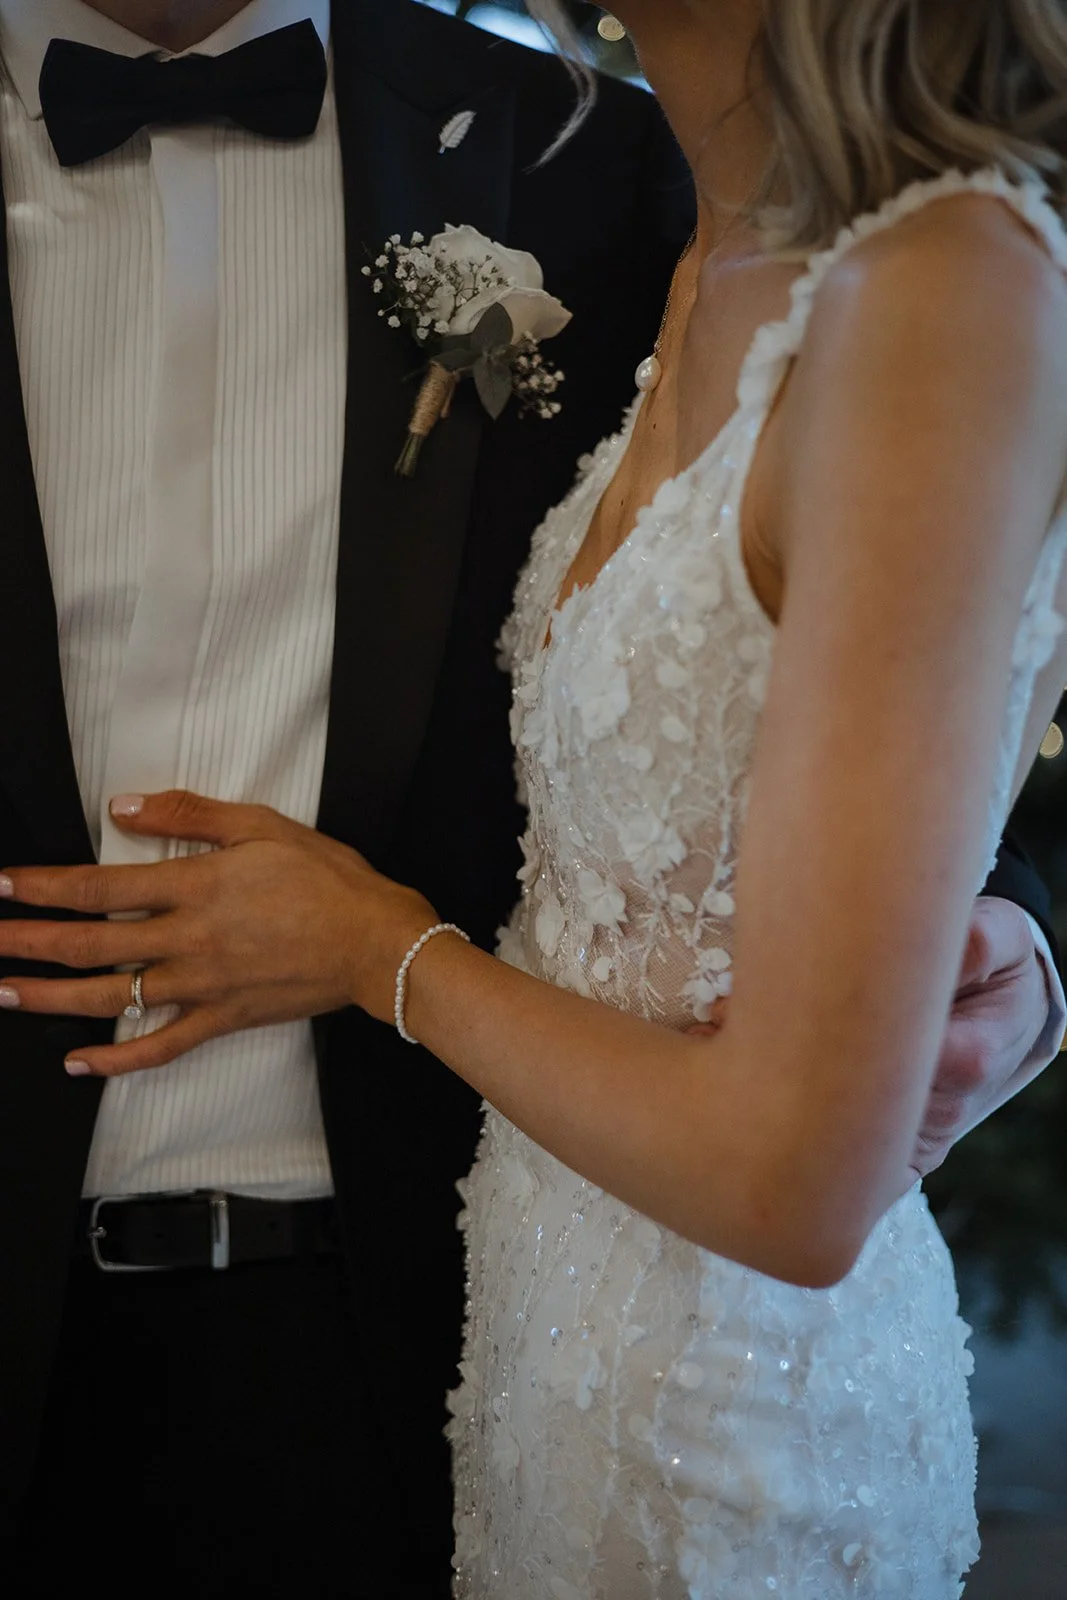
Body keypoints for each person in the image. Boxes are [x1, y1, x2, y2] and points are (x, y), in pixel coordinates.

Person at [0, 1, 1063, 1597]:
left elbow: (959, 633)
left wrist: (1019, 946)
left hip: (413, 1335)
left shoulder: (598, 159)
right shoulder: (709, 200)